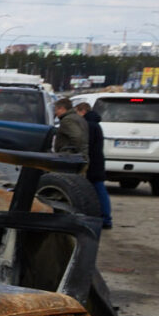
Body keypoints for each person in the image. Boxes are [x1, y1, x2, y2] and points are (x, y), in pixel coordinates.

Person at [53, 96, 113, 225]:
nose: (55, 113)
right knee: (93, 189)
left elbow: (78, 138)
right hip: (92, 160)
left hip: (85, 160)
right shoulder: (88, 122)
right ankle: (101, 217)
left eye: (56, 109)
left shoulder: (71, 121)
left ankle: (103, 218)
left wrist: (74, 154)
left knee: (94, 189)